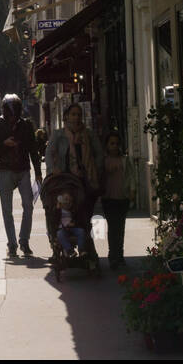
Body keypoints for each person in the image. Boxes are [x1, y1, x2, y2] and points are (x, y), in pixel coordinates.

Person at [0, 94, 42, 259]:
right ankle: (12, 244)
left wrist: (38, 172)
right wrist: (4, 144)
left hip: (23, 170)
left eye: (15, 112)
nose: (12, 116)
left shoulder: (26, 125)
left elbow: (33, 149)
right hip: (5, 170)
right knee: (6, 209)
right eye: (9, 112)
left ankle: (24, 241)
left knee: (28, 205)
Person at [45, 103, 104, 237]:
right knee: (65, 214)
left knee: (86, 216)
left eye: (79, 115)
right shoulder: (58, 135)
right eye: (73, 114)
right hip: (65, 181)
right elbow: (49, 153)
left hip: (86, 180)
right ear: (66, 117)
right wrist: (53, 169)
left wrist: (96, 170)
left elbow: (99, 153)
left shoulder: (88, 134)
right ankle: (64, 244)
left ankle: (88, 247)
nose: (76, 118)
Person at [101, 131, 136, 270]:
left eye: (116, 143)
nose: (114, 146)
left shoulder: (125, 159)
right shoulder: (103, 160)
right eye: (111, 143)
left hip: (123, 197)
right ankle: (112, 255)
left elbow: (131, 176)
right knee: (112, 227)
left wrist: (133, 191)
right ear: (107, 145)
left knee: (120, 228)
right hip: (108, 198)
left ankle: (119, 256)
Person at [55, 188, 86, 255]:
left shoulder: (74, 210)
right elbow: (54, 219)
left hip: (73, 227)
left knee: (81, 231)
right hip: (63, 229)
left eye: (69, 200)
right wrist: (57, 209)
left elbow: (79, 219)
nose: (67, 202)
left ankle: (81, 249)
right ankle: (70, 250)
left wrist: (74, 224)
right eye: (65, 200)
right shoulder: (59, 211)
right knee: (60, 234)